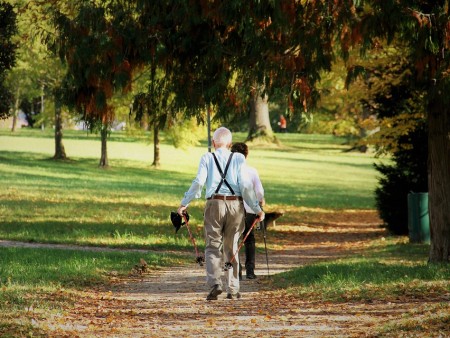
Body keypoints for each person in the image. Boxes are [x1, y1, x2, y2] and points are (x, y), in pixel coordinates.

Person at [177, 127, 264, 301]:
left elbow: (199, 182)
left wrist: (184, 203)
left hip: (214, 204)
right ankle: (233, 288)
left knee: (212, 246)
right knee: (232, 246)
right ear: (230, 144)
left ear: (213, 143)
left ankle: (215, 283)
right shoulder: (238, 158)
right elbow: (246, 188)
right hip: (235, 205)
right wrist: (257, 209)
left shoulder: (207, 157)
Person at [231, 142, 265, 280]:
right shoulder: (252, 171)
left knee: (234, 239)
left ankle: (236, 271)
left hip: (234, 208)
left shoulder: (230, 172)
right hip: (250, 209)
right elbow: (259, 191)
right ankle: (250, 270)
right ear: (246, 155)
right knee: (249, 239)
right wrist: (261, 202)